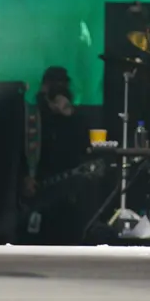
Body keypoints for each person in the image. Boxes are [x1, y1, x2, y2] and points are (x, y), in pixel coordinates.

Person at [19, 67, 90, 245]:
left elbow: (83, 148)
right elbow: (15, 152)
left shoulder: (73, 118)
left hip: (66, 195)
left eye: (63, 85)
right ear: (44, 88)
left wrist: (68, 113)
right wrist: (23, 178)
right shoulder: (32, 116)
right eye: (55, 85)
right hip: (36, 192)